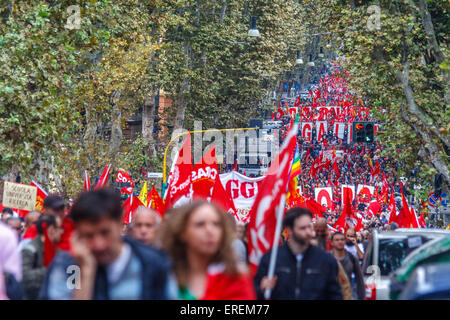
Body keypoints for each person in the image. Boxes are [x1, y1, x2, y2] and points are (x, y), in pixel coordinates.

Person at [39, 188, 174, 300]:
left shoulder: (153, 263)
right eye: (89, 236)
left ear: (120, 224)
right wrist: (85, 273)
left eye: (105, 233)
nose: (99, 244)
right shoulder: (66, 265)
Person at [160, 201, 255, 300]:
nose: (210, 230)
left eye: (216, 224)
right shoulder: (164, 276)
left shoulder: (236, 278)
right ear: (182, 232)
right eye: (200, 224)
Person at [255, 207, 342, 300]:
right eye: (302, 228)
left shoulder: (325, 260)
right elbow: (254, 293)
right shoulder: (271, 259)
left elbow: (335, 294)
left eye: (309, 227)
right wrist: (261, 289)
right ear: (289, 230)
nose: (308, 232)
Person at [21, 214, 63, 300]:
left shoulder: (59, 251)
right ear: (51, 229)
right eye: (59, 228)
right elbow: (24, 278)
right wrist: (51, 269)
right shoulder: (30, 249)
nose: (62, 231)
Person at [330, 232, 365, 300]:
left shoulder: (351, 258)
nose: (340, 242)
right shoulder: (327, 258)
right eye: (337, 240)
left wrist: (361, 296)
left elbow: (359, 279)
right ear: (332, 242)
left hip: (348, 294)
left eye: (342, 239)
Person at [0, 222, 23, 299]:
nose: (15, 231)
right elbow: (14, 274)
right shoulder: (6, 234)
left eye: (17, 228)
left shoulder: (6, 234)